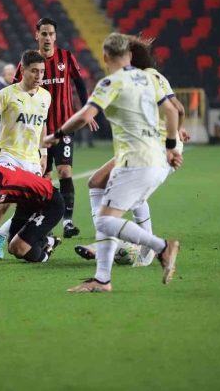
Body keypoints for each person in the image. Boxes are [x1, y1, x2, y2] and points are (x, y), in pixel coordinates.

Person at [43, 33, 183, 293]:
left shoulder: (110, 83)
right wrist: (173, 147)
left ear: (105, 57)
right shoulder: (151, 77)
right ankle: (102, 279)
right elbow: (173, 111)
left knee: (105, 222)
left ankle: (161, 247)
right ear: (129, 56)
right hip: (155, 158)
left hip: (134, 161)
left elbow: (85, 116)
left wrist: (56, 135)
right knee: (107, 216)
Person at [77, 36, 189, 269]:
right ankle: (145, 249)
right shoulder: (147, 77)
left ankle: (112, 242)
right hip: (149, 145)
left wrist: (174, 136)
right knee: (106, 184)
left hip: (153, 147)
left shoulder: (145, 77)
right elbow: (177, 108)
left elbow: (175, 109)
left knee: (99, 182)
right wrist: (178, 131)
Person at [14, 17, 94, 238]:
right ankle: (46, 223)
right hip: (37, 131)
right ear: (37, 35)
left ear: (55, 37)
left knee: (65, 171)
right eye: (44, 34)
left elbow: (79, 83)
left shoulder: (66, 58)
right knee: (43, 176)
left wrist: (88, 110)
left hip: (64, 127)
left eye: (51, 34)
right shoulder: (29, 62)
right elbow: (15, 88)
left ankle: (68, 221)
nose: (47, 38)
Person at [0, 50, 50, 261]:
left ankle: (2, 233)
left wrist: (43, 153)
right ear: (24, 70)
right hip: (8, 154)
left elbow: (42, 125)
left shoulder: (45, 96)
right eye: (34, 71)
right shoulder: (7, 93)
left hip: (32, 157)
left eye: (42, 72)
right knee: (6, 199)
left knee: (37, 205)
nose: (38, 76)